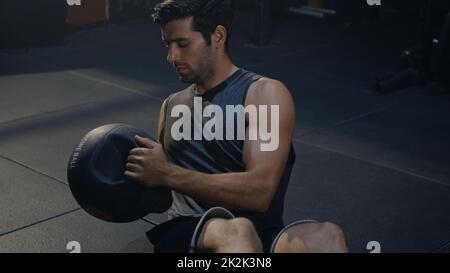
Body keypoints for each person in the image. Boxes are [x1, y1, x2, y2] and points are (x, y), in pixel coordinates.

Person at [124, 0, 348, 253]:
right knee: (237, 232)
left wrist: (167, 173)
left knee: (326, 236)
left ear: (218, 36)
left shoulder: (264, 93)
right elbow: (162, 195)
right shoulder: (171, 105)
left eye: (182, 44)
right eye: (168, 45)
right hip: (190, 235)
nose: (172, 56)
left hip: (260, 236)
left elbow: (259, 192)